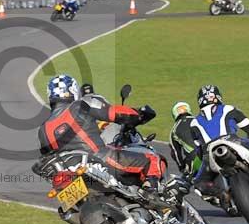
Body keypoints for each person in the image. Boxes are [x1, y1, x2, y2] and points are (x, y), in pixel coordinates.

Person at [38, 74, 170, 206]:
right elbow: (113, 112)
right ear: (73, 90)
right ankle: (151, 195)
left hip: (70, 171)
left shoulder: (43, 129)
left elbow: (47, 155)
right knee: (153, 159)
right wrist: (139, 114)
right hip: (99, 158)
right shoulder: (80, 105)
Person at [190, 84, 249, 187]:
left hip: (209, 153)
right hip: (231, 141)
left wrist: (205, 160)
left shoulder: (193, 123)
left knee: (199, 183)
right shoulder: (228, 109)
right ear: (217, 96)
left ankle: (222, 197)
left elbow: (198, 151)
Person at [168, 101, 200, 177]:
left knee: (186, 183)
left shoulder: (174, 130)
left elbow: (176, 153)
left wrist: (181, 167)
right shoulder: (199, 119)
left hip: (195, 159)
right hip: (212, 151)